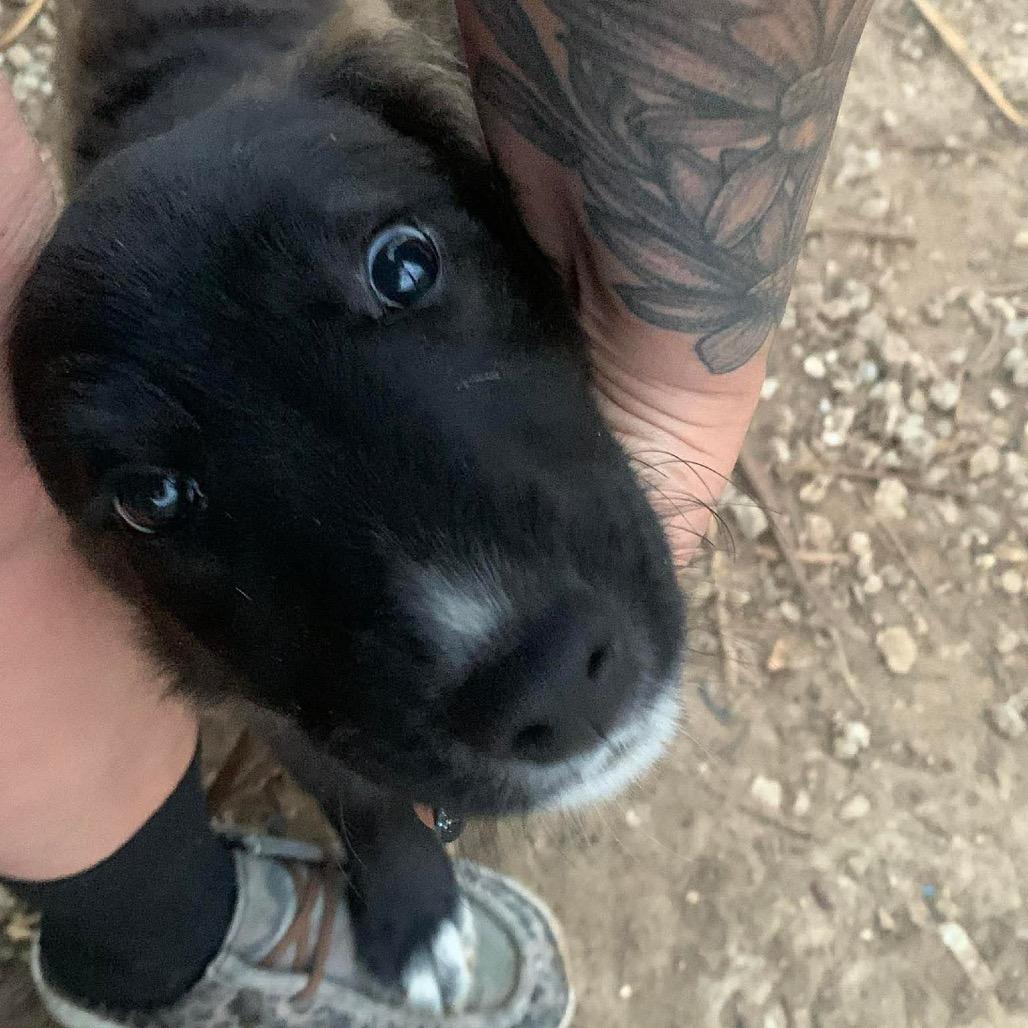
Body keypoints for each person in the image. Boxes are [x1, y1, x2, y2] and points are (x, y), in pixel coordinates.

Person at [0, 1, 873, 1024]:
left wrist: (677, 377)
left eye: (402, 269)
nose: (496, 627)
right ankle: (171, 931)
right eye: (151, 491)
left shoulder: (361, 111)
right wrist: (391, 843)